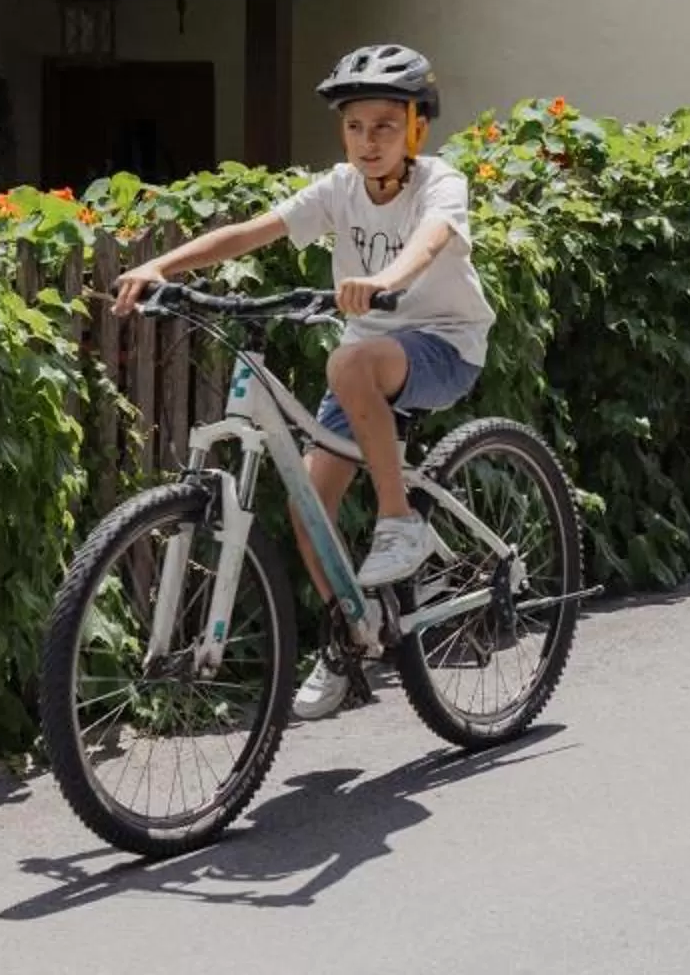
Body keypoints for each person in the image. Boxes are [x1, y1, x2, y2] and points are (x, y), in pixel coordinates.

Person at [116, 42, 494, 720]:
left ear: (415, 128)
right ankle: (350, 645)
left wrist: (384, 282)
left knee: (350, 360)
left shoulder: (440, 183)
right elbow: (250, 232)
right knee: (305, 504)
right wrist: (162, 268)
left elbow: (432, 239)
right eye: (354, 126)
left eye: (384, 125)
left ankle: (399, 522)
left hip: (442, 346)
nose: (367, 141)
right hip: (369, 361)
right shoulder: (340, 190)